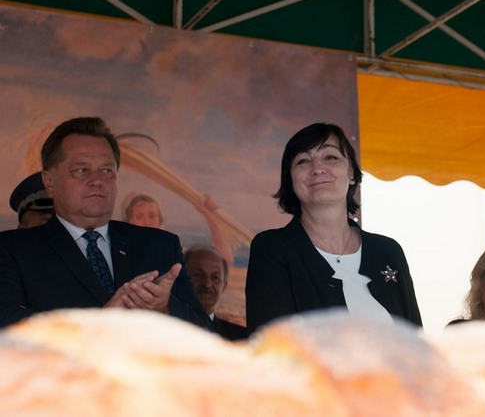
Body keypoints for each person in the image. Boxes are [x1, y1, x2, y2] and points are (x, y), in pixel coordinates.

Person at [0, 116, 212, 330]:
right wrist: (98, 324)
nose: (97, 180)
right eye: (82, 170)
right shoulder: (12, 250)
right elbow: (7, 327)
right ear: (49, 182)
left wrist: (165, 308)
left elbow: (206, 335)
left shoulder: (160, 245)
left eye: (107, 170)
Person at [246, 122, 421, 334]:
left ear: (352, 173)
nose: (317, 168)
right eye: (303, 161)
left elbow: (416, 340)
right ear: (290, 180)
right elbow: (271, 342)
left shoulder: (388, 251)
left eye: (331, 157)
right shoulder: (272, 249)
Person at [184, 244, 247, 341]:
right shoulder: (161, 332)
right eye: (198, 275)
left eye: (215, 277)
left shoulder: (241, 340)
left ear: (224, 286)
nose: (207, 284)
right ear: (181, 280)